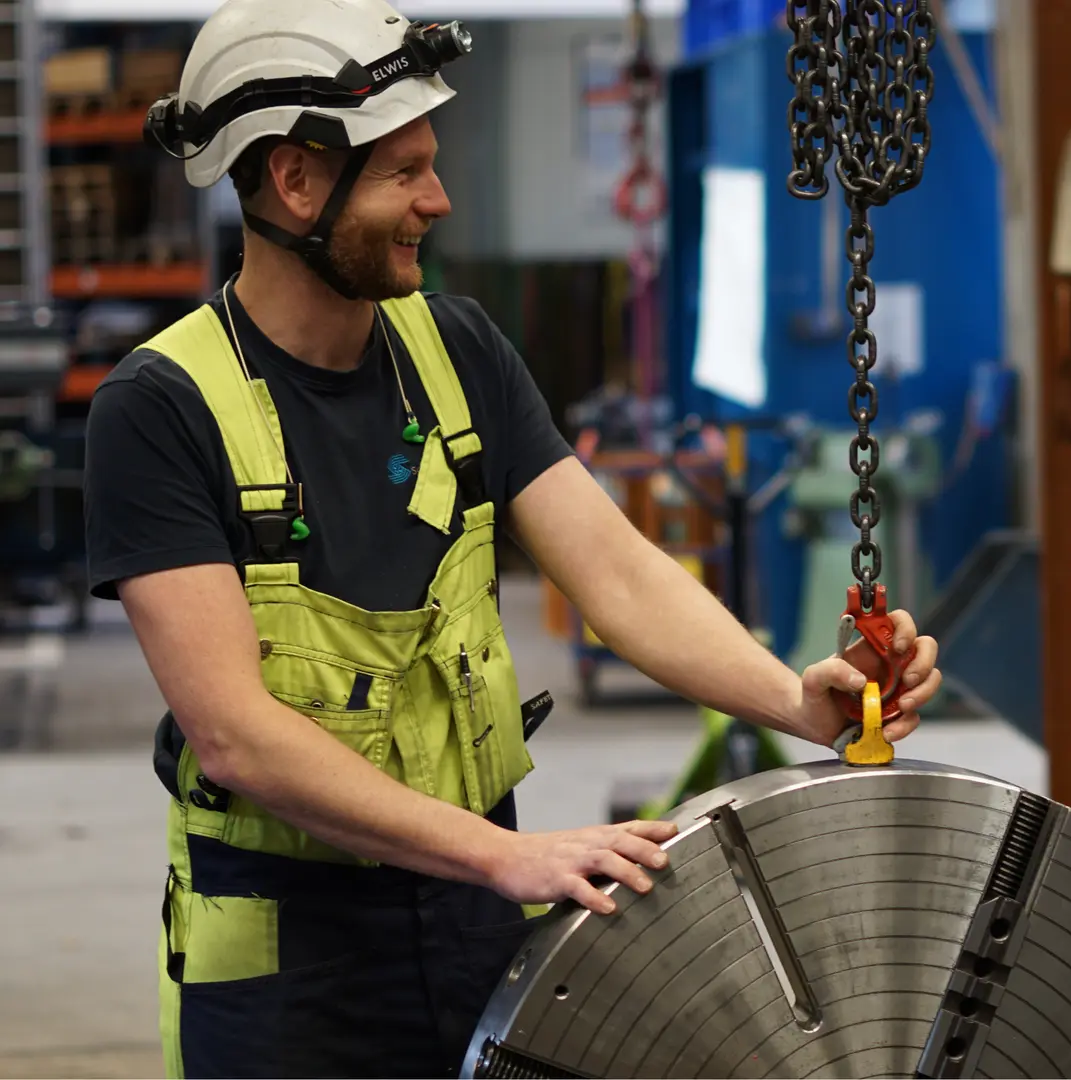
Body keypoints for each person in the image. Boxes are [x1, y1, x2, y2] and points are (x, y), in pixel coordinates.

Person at [82, 2, 942, 1076]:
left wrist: (792, 699)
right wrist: (505, 856)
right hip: (284, 961)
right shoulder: (160, 408)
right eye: (403, 173)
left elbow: (618, 574)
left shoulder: (457, 348)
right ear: (295, 182)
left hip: (476, 920)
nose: (437, 202)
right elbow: (235, 736)